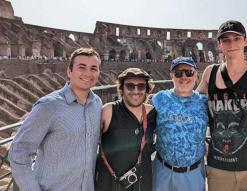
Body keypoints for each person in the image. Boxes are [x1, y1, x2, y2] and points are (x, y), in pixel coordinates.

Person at [197, 20, 247, 191]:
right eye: (226, 40)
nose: (231, 44)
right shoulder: (210, 73)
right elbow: (189, 102)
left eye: (236, 38)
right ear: (219, 45)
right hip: (218, 169)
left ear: (245, 41)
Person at [8, 47, 102, 191]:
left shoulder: (97, 104)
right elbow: (19, 150)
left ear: (98, 73)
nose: (88, 73)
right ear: (69, 71)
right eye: (81, 67)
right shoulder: (49, 105)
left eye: (93, 68)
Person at [95, 68, 157, 191]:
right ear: (122, 88)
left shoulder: (152, 113)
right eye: (130, 86)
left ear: (146, 90)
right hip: (110, 184)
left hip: (142, 184)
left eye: (141, 86)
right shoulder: (108, 111)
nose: (136, 91)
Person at [152, 56, 208, 191]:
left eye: (189, 72)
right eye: (178, 73)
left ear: (196, 75)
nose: (184, 77)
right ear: (172, 76)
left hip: (193, 173)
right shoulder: (159, 98)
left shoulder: (205, 103)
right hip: (163, 170)